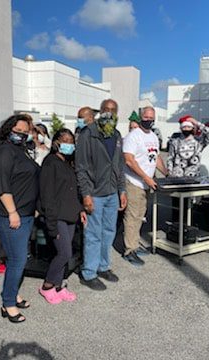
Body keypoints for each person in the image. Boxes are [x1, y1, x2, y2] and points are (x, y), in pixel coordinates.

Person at [0, 114, 39, 322]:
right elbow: (2, 185)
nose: (22, 134)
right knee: (18, 260)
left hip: (25, 214)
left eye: (25, 132)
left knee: (16, 259)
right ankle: (8, 303)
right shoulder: (4, 152)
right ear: (9, 129)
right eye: (18, 131)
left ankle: (12, 294)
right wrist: (12, 212)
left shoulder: (21, 150)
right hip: (10, 216)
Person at [75, 99, 127, 291]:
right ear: (100, 111)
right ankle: (88, 272)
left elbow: (119, 166)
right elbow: (81, 168)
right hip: (95, 194)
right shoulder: (88, 134)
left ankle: (103, 266)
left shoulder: (117, 135)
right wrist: (86, 195)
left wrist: (122, 190)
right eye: (106, 109)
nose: (109, 113)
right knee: (93, 235)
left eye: (113, 110)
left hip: (112, 193)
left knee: (108, 232)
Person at [39, 128, 87, 303]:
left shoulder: (68, 163)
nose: (69, 144)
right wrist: (51, 224)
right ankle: (47, 285)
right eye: (65, 140)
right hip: (56, 216)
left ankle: (58, 286)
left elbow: (74, 191)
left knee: (64, 252)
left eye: (71, 141)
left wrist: (81, 209)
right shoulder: (50, 163)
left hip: (70, 215)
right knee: (64, 253)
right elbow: (47, 195)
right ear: (56, 142)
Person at [122, 107, 167, 266]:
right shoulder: (133, 137)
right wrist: (146, 178)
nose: (149, 120)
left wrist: (166, 173)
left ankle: (134, 245)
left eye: (151, 118)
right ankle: (129, 250)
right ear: (141, 118)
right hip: (134, 182)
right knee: (132, 216)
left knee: (140, 215)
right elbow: (129, 160)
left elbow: (156, 157)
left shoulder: (153, 137)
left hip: (146, 183)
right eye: (146, 117)